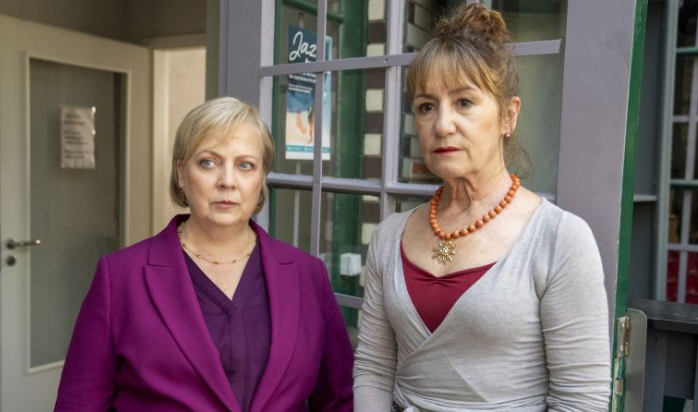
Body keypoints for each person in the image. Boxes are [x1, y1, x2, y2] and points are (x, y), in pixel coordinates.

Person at [353, 4, 611, 411]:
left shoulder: (560, 240)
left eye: (464, 102)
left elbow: (581, 401)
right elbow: (373, 369)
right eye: (426, 106)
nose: (442, 125)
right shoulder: (389, 236)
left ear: (508, 115)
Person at [55, 96, 354, 411]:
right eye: (208, 163)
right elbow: (79, 404)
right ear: (181, 173)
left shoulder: (308, 276)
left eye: (245, 165)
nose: (227, 182)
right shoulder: (119, 277)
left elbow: (339, 400)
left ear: (261, 178)